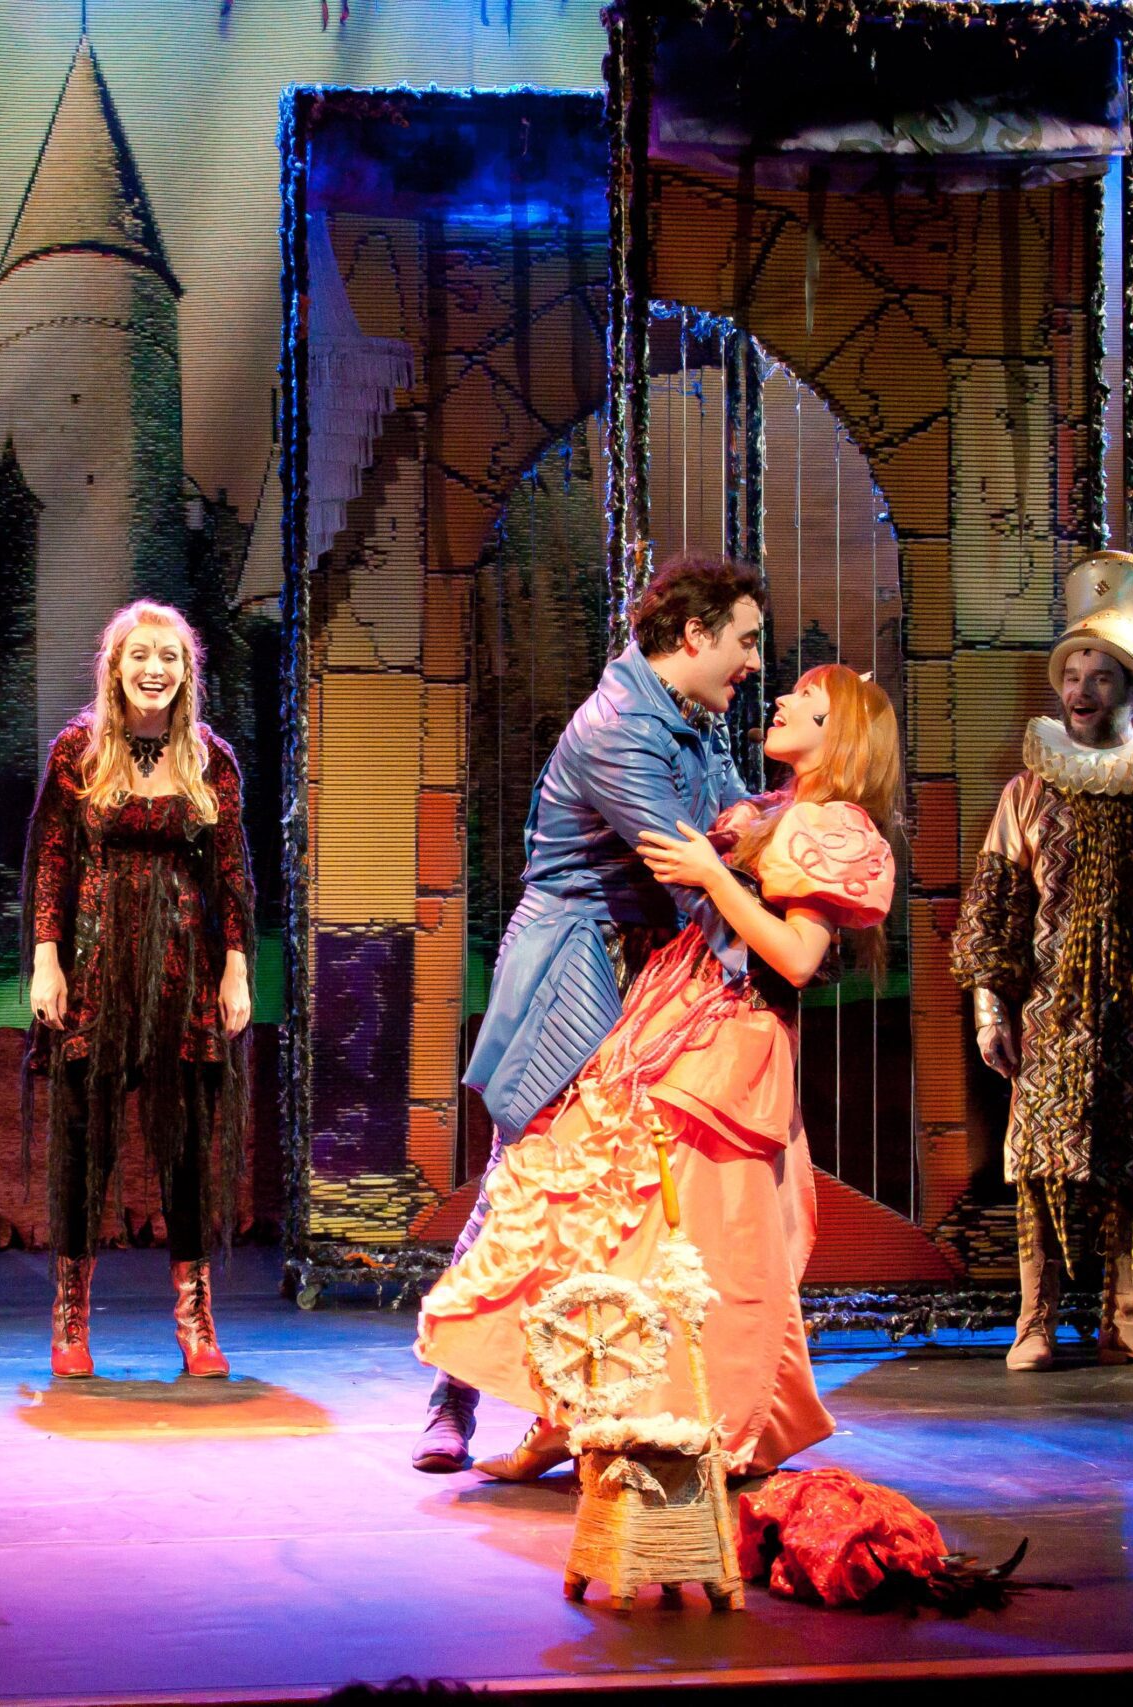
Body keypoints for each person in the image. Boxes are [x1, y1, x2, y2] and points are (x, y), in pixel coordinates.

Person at [416, 665, 900, 1482]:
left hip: (726, 1042)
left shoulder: (831, 826)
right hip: (669, 1018)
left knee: (687, 1245)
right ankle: (568, 1413)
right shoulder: (766, 808)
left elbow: (796, 955)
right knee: (600, 1217)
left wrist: (711, 875)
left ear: (838, 734)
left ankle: (686, 1422)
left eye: (805, 703)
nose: (780, 700)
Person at [414, 554, 763, 1471]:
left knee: (624, 1198)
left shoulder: (692, 717)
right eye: (746, 640)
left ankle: (593, 1399)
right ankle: (451, 1394)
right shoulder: (620, 727)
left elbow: (739, 822)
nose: (754, 661)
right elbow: (684, 864)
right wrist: (765, 951)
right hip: (580, 969)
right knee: (525, 1180)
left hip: (655, 970)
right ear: (695, 636)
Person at [950, 552, 1133, 1371]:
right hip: (1050, 1014)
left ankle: (1128, 1317)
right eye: (1072, 675)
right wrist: (990, 1007)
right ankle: (1035, 1319)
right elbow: (994, 909)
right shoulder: (1028, 793)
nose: (1081, 690)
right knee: (1040, 1164)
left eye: (1101, 676)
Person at [25, 600, 255, 1380]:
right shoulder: (78, 752)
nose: (154, 670)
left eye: (169, 657)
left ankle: (195, 1317)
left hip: (181, 974)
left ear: (187, 672)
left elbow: (231, 873)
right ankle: (71, 1315)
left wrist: (235, 967)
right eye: (140, 656)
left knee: (188, 1147)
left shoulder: (211, 760)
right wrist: (46, 958)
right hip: (95, 968)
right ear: (115, 667)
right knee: (83, 1143)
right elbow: (52, 859)